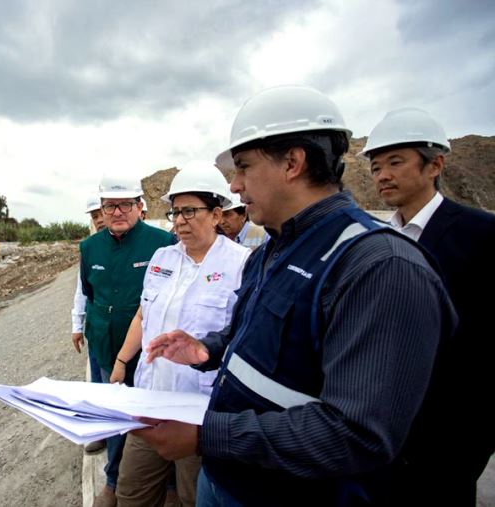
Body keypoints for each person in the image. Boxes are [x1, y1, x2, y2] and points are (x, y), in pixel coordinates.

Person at [135, 85, 457, 506]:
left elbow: (357, 434)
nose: (234, 185)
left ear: (293, 162)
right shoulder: (269, 251)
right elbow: (254, 337)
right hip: (225, 479)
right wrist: (208, 349)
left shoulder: (380, 267)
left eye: (244, 167)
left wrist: (204, 434)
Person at [360, 107, 495, 506]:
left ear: (435, 164)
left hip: (447, 440)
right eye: (376, 166)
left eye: (396, 162)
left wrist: (470, 445)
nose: (383, 175)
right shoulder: (379, 238)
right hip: (383, 432)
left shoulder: (480, 236)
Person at [111, 161, 251, 507]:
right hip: (149, 401)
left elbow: (243, 339)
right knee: (131, 494)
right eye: (175, 212)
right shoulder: (162, 259)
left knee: (194, 497)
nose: (179, 221)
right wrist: (121, 360)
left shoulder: (243, 264)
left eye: (189, 211)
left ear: (217, 214)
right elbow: (144, 314)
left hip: (200, 413)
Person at [80, 174, 174, 507]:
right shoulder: (89, 248)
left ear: (139, 207)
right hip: (108, 349)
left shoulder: (163, 243)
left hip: (152, 351)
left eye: (124, 205)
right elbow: (89, 292)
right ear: (101, 210)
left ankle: (169, 486)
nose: (117, 212)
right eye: (110, 206)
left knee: (159, 415)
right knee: (117, 417)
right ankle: (113, 482)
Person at [71, 193, 108, 454]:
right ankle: (102, 432)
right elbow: (81, 290)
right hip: (96, 329)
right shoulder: (89, 248)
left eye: (100, 213)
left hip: (125, 331)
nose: (99, 220)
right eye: (94, 216)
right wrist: (77, 324)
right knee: (97, 382)